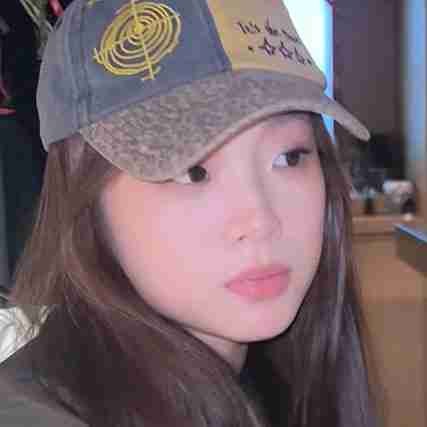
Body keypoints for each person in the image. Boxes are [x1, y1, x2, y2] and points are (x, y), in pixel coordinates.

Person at [0, 0, 378, 426]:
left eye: (288, 157)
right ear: (82, 192)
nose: (260, 221)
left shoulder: (271, 386)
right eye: (193, 171)